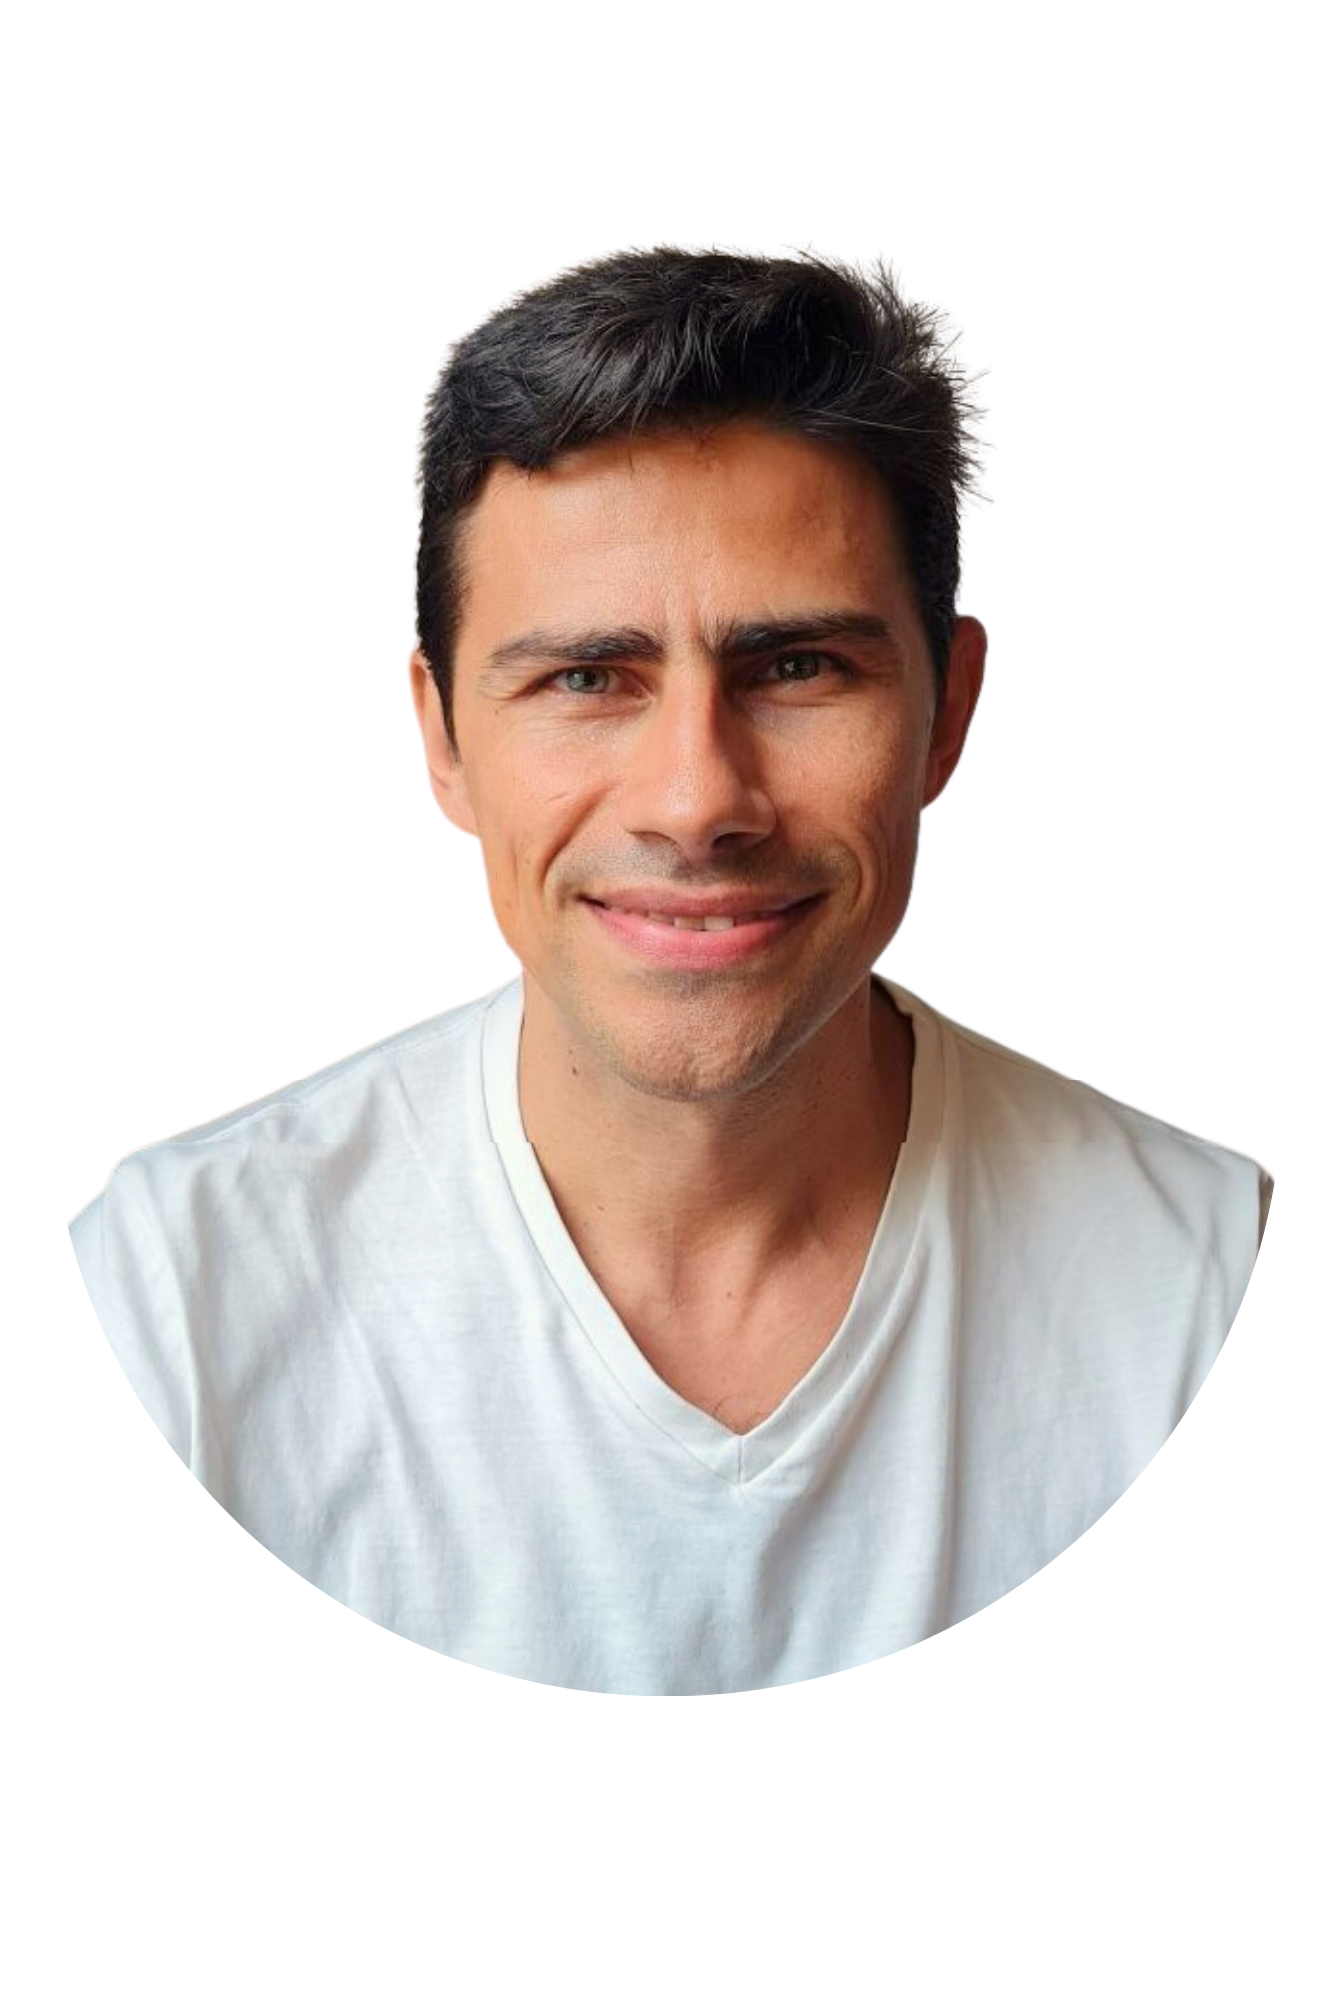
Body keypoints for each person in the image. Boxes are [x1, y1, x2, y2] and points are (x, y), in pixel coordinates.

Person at [68, 242, 1272, 1695]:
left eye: (798, 668)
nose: (697, 801)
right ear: (443, 738)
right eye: (586, 678)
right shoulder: (173, 1306)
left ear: (946, 713)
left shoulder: (1222, 1292)